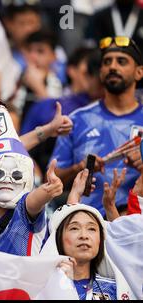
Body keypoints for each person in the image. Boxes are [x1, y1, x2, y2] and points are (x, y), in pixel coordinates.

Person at [51, 36, 143, 216]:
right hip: (87, 227)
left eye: (121, 61)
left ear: (139, 72)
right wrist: (78, 168)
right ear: (101, 72)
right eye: (107, 62)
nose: (113, 67)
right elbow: (52, 178)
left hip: (137, 229)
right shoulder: (77, 120)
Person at [0, 92, 64, 256]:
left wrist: (47, 190)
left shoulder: (25, 217)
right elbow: (2, 154)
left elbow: (32, 202)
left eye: (16, 176)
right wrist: (46, 131)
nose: (8, 179)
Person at [41, 203, 134, 300]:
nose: (84, 236)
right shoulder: (42, 289)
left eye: (91, 229)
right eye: (74, 228)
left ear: (100, 240)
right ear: (57, 238)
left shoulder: (117, 290)